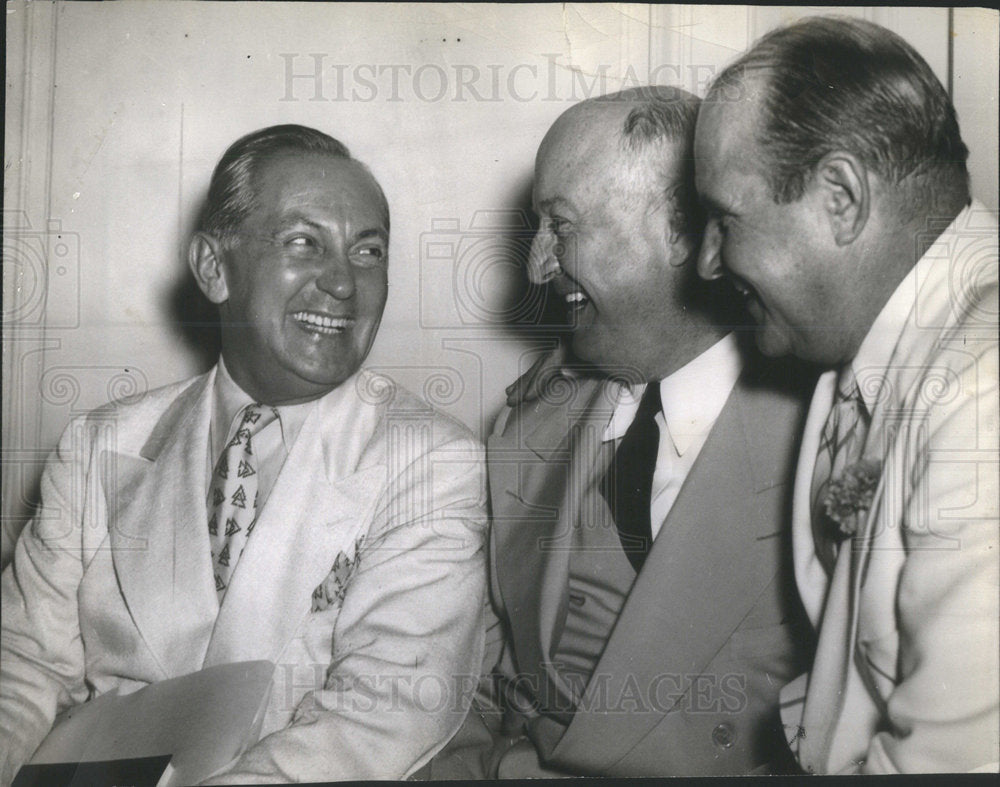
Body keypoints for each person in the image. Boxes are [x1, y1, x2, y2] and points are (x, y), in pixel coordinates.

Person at [0, 124, 488, 784]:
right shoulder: (99, 444)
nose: (343, 282)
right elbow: (22, 664)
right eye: (304, 243)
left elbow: (383, 713)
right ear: (213, 268)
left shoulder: (431, 461)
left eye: (368, 251)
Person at [428, 86, 815, 778]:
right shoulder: (532, 420)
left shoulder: (826, 435)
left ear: (685, 232)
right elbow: (478, 681)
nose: (536, 267)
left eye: (561, 227)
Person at [695, 16, 999, 774]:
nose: (706, 262)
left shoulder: (983, 387)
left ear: (840, 197)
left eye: (725, 219)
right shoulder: (859, 349)